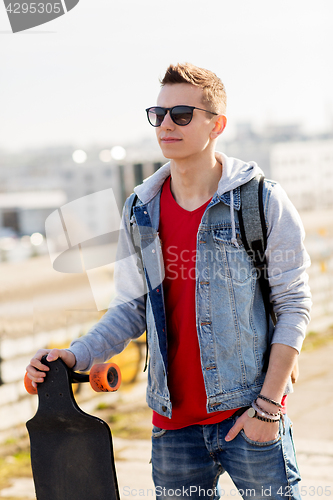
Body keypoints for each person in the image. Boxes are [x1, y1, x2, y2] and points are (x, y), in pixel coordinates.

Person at [27, 63, 312, 499]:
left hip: (249, 414)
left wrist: (268, 409)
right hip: (173, 430)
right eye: (157, 115)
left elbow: (294, 306)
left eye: (181, 115)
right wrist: (76, 354)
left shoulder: (260, 200)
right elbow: (131, 306)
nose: (165, 125)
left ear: (216, 124)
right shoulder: (141, 209)